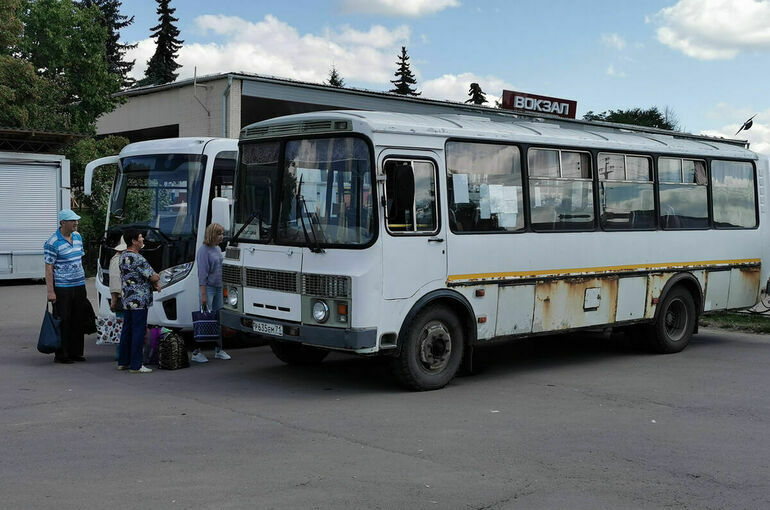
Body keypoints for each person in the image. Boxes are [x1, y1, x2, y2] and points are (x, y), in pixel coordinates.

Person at [44, 209, 87, 364]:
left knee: (78, 319)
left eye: (76, 220)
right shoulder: (53, 241)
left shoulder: (77, 237)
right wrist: (51, 291)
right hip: (62, 287)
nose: (76, 223)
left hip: (79, 284)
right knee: (64, 320)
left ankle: (76, 352)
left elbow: (80, 258)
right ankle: (62, 354)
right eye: (72, 221)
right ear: (63, 223)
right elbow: (49, 267)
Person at [118, 228, 160, 373]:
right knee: (138, 331)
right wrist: (156, 278)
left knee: (127, 330)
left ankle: (123, 361)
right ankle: (136, 365)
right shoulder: (138, 258)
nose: (143, 240)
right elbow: (153, 276)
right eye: (141, 237)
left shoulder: (123, 256)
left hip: (127, 298)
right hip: (140, 300)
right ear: (134, 241)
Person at [191, 223, 231, 363]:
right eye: (219, 234)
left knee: (217, 319)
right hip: (208, 287)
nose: (222, 236)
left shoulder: (218, 248)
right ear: (212, 234)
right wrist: (203, 294)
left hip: (219, 287)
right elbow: (202, 274)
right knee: (204, 318)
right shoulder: (203, 250)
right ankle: (197, 352)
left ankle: (218, 349)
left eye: (222, 233)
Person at [109, 236, 127, 313]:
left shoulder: (128, 257)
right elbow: (115, 280)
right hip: (122, 299)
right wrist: (114, 300)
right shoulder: (117, 260)